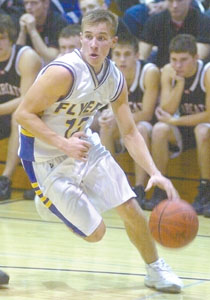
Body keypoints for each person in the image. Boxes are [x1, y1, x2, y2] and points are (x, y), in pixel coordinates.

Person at [15, 9, 183, 293]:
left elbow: (129, 131)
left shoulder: (115, 79)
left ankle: (155, 269)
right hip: (45, 158)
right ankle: (48, 203)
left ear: (112, 42)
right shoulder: (62, 73)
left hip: (84, 144)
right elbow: (23, 115)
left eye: (101, 38)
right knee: (96, 234)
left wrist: (155, 172)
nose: (94, 44)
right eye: (89, 37)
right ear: (81, 38)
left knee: (129, 203)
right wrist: (63, 143)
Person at [145, 34, 210, 213]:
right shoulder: (168, 71)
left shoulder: (207, 72)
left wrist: (176, 120)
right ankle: (161, 188)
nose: (178, 65)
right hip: (182, 129)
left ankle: (205, 190)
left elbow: (208, 116)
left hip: (201, 127)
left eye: (183, 60)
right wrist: (179, 84)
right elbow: (167, 110)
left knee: (202, 130)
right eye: (174, 59)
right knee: (159, 129)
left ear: (196, 58)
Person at [99, 33, 160, 207]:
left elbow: (147, 113)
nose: (122, 59)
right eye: (117, 54)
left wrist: (117, 117)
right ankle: (115, 186)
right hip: (127, 123)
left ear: (137, 55)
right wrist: (105, 116)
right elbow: (109, 106)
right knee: (104, 126)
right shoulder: (110, 73)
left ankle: (140, 188)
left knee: (140, 128)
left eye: (127, 54)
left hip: (150, 126)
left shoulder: (149, 72)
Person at [0, 14, 42, 200]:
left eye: (1, 38)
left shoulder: (26, 57)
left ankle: (5, 180)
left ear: (11, 38)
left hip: (35, 112)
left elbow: (27, 99)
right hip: (4, 112)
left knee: (19, 116)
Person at [139, 0, 210, 68]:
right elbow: (141, 56)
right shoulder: (154, 21)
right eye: (171, 1)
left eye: (179, 1)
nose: (175, 5)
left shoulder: (204, 22)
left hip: (192, 73)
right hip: (161, 71)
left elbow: (198, 58)